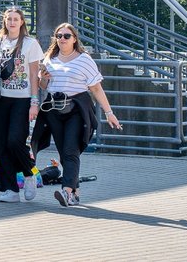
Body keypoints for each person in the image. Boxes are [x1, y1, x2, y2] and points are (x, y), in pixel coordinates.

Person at [33, 23, 122, 207]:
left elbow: (96, 88)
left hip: (77, 109)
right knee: (63, 151)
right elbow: (43, 86)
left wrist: (109, 113)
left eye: (66, 36)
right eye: (59, 36)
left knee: (70, 150)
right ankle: (75, 192)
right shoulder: (50, 58)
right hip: (54, 109)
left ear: (74, 39)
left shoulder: (84, 59)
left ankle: (66, 192)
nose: (62, 39)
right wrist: (43, 78)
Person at [0, 6, 42, 203]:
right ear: (4, 21)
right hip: (1, 98)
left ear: (22, 22)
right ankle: (10, 189)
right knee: (0, 144)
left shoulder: (30, 43)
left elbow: (35, 75)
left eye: (16, 19)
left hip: (22, 99)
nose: (12, 22)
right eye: (9, 19)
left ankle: (29, 175)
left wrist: (35, 102)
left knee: (15, 141)